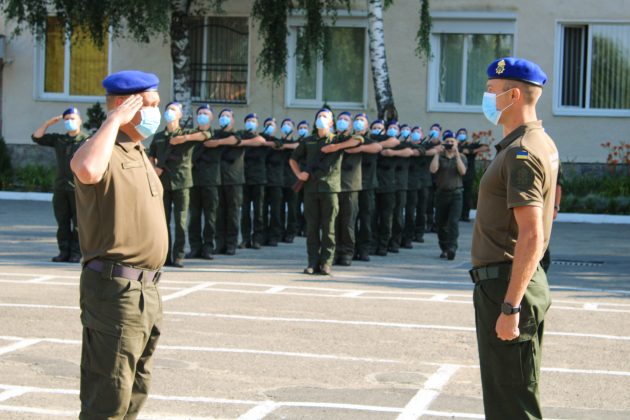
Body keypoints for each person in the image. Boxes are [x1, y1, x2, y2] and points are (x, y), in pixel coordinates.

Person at [70, 70, 168, 419]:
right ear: (127, 106)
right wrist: (113, 120)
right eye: (152, 104)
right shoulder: (102, 149)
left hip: (146, 291)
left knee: (133, 395)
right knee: (107, 399)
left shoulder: (138, 150)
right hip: (116, 291)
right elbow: (85, 169)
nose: (160, 112)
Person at [470, 57, 558, 419]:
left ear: (514, 94)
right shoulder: (535, 142)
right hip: (508, 281)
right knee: (507, 395)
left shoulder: (522, 152)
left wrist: (510, 306)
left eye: (492, 91)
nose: (487, 99)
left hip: (507, 284)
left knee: (513, 403)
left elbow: (533, 233)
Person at [289, 108, 361, 275]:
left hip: (330, 189)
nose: (321, 118)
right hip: (311, 189)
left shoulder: (337, 139)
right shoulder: (308, 141)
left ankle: (327, 263)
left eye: (325, 116)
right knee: (312, 228)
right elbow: (293, 158)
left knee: (329, 228)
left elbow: (358, 139)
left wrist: (336, 146)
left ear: (331, 123)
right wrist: (299, 174)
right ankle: (312, 263)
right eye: (319, 116)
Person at [32, 107, 89, 263]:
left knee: (78, 224)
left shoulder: (86, 140)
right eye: (67, 119)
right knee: (62, 222)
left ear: (80, 120)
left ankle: (76, 253)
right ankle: (63, 251)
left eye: (72, 118)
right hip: (61, 187)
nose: (70, 122)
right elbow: (37, 137)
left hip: (79, 188)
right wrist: (48, 123)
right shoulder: (59, 139)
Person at [148, 101, 199, 268]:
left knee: (180, 221)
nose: (170, 112)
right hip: (163, 183)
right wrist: (154, 168)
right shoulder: (159, 136)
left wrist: (183, 138)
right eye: (168, 109)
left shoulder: (187, 134)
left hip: (182, 183)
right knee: (163, 221)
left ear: (180, 115)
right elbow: (151, 154)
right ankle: (165, 255)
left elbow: (206, 135)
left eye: (173, 110)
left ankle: (178, 255)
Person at [186, 104, 217, 260]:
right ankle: (195, 247)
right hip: (193, 180)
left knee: (210, 217)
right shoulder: (190, 134)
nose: (202, 115)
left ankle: (208, 248)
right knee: (194, 216)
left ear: (211, 117)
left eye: (206, 113)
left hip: (210, 181)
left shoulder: (216, 135)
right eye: (200, 113)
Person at [430, 130, 467, 260]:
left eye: (452, 142)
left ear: (456, 143)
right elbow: (433, 169)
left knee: (453, 222)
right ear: (443, 143)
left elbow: (462, 172)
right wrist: (436, 154)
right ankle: (444, 248)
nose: (450, 144)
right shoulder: (440, 156)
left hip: (456, 194)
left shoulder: (461, 157)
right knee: (440, 223)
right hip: (441, 194)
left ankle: (452, 248)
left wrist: (456, 154)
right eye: (447, 142)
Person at [333, 112, 364, 266]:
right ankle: (334, 251)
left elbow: (353, 145)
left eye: (346, 120)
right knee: (333, 221)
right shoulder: (331, 138)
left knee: (348, 222)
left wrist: (336, 146)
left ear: (351, 125)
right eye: (340, 119)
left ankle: (346, 252)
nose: (343, 122)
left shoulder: (357, 138)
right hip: (333, 185)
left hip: (350, 186)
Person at [240, 113, 267, 249]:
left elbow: (262, 141)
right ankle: (245, 239)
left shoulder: (262, 137)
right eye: (249, 120)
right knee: (245, 212)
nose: (251, 122)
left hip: (259, 179)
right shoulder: (241, 135)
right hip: (244, 178)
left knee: (259, 212)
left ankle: (257, 239)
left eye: (253, 121)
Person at [262, 117, 286, 246]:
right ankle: (263, 235)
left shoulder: (278, 142)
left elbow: (281, 147)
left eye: (271, 125)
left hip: (276, 181)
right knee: (262, 211)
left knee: (276, 211)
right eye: (267, 125)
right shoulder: (260, 141)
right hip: (263, 180)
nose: (269, 127)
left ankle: (274, 236)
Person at [457, 128, 489, 221]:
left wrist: (472, 151)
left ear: (466, 135)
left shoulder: (471, 145)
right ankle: (458, 214)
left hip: (469, 174)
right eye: (460, 133)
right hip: (457, 173)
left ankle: (465, 215)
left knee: (467, 195)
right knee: (458, 195)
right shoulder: (456, 146)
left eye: (463, 133)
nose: (462, 135)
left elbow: (486, 148)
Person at [279, 118, 301, 243]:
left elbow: (297, 146)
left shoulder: (297, 143)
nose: (286, 126)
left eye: (289, 125)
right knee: (280, 208)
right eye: (284, 124)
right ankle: (280, 231)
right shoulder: (278, 143)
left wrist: (284, 146)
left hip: (293, 180)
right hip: (280, 179)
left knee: (293, 208)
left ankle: (291, 232)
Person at [424, 123, 442, 233]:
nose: (434, 132)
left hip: (440, 178)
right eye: (432, 129)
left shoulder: (444, 144)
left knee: (439, 202)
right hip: (428, 177)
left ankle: (437, 223)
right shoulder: (426, 144)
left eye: (436, 130)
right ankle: (429, 223)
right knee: (428, 202)